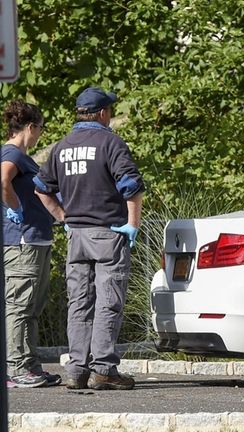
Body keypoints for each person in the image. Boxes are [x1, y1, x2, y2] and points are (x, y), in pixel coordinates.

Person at [33, 87, 145, 391]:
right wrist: (132, 225)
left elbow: (41, 189)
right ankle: (105, 369)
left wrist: (63, 217)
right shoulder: (111, 142)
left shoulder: (61, 147)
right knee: (109, 301)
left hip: (76, 238)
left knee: (79, 303)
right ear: (103, 113)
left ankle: (77, 369)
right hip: (108, 234)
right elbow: (131, 187)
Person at [1, 100, 61, 388]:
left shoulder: (21, 155)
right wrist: (15, 208)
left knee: (32, 307)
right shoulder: (12, 152)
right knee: (19, 306)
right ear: (30, 127)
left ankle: (30, 365)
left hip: (36, 240)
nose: (40, 134)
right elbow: (3, 180)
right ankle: (15, 369)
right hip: (22, 242)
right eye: (40, 129)